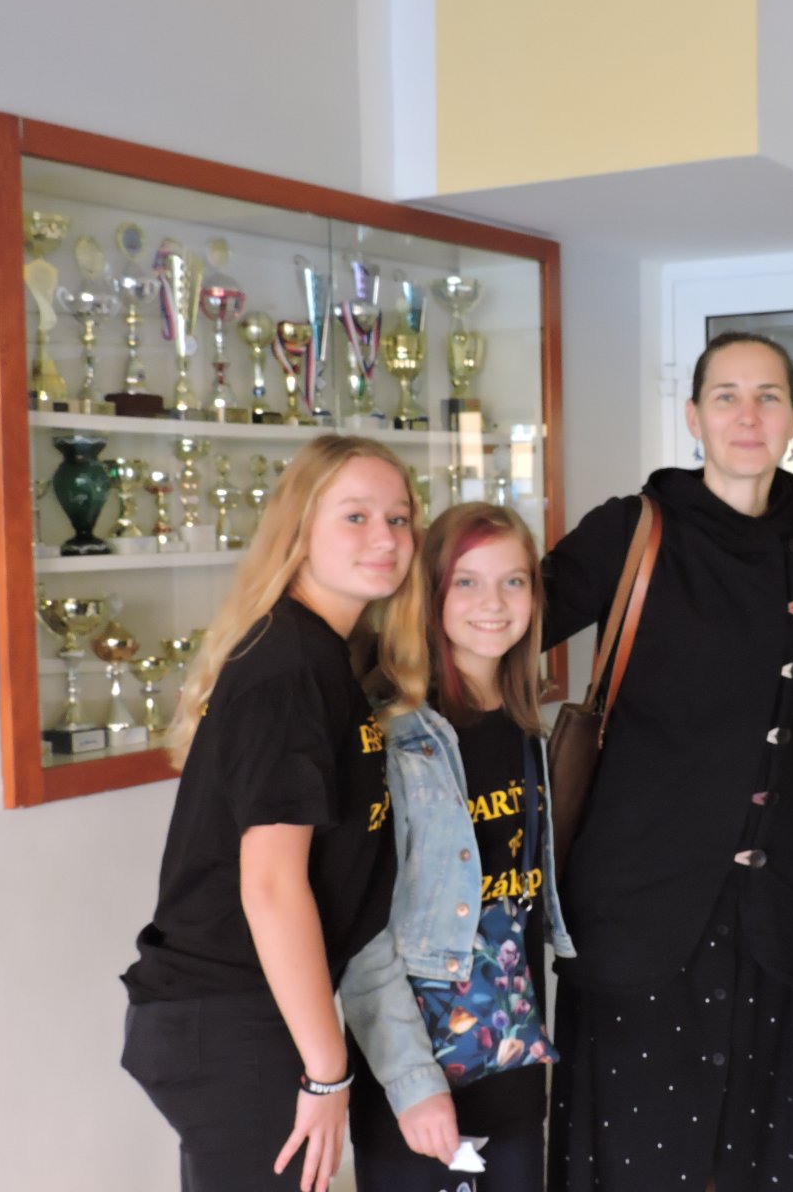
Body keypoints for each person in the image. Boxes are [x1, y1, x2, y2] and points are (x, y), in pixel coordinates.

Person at [541, 330, 793, 1191]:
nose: (748, 415)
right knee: (640, 1158)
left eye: (768, 397)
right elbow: (504, 624)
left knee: (757, 1156)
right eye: (726, 397)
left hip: (768, 904)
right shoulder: (633, 529)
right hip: (641, 901)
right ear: (693, 418)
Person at [121, 435, 425, 1192]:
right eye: (355, 516)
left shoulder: (322, 654)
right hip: (230, 1017)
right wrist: (327, 1071)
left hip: (238, 1013)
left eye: (399, 517)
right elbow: (271, 884)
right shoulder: (290, 666)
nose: (385, 537)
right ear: (299, 529)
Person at [339, 502, 574, 1191]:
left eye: (513, 581)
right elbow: (362, 928)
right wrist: (412, 1084)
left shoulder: (525, 721)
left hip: (509, 1052)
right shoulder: (398, 733)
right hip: (418, 1066)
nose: (493, 604)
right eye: (467, 582)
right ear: (431, 594)